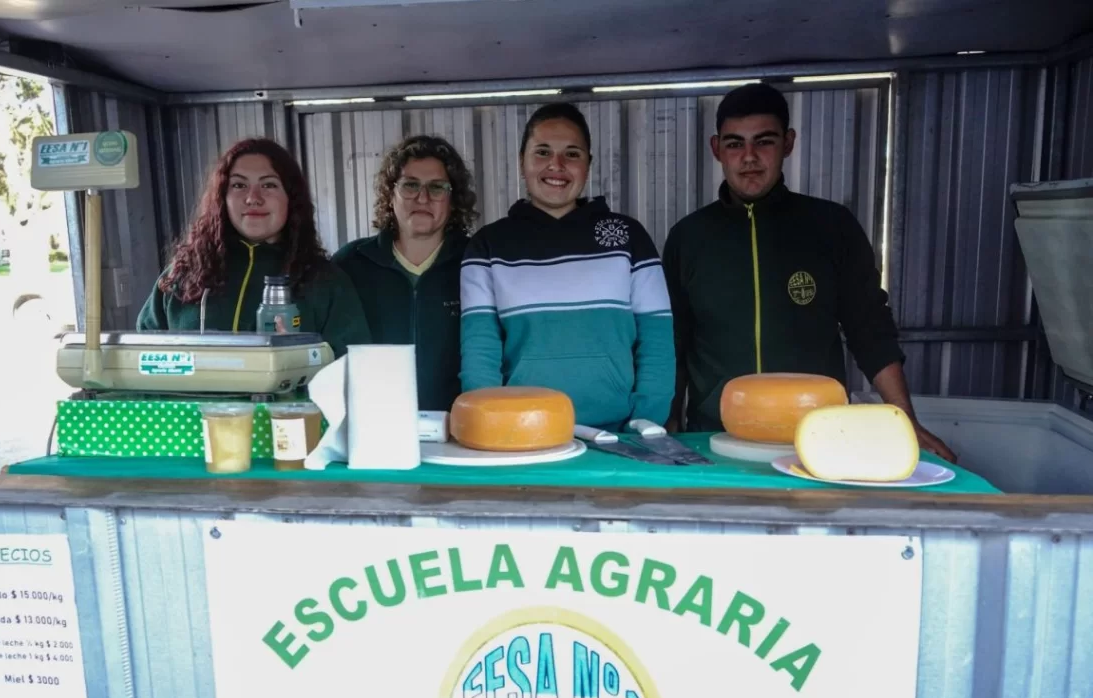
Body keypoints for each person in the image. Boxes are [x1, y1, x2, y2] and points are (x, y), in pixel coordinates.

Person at [662, 83, 956, 462]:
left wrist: (906, 420)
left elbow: (870, 329)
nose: (748, 157)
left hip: (818, 438)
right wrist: (668, 425)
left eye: (763, 142)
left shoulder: (831, 226)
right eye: (735, 144)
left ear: (788, 143)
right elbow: (674, 343)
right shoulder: (689, 237)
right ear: (717, 149)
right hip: (716, 436)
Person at [459, 102, 674, 430]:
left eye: (572, 154)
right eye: (542, 152)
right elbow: (479, 356)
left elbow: (657, 342)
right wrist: (494, 429)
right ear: (522, 162)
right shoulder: (488, 247)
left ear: (589, 163)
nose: (556, 165)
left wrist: (645, 425)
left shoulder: (629, 239)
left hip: (618, 436)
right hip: (522, 436)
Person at [137, 138, 370, 357]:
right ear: (222, 198)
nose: (253, 198)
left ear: (291, 198)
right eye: (239, 185)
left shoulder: (326, 282)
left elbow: (352, 368)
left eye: (269, 185)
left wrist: (298, 361)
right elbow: (142, 354)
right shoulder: (184, 274)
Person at [334, 135, 478, 412]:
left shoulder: (476, 261)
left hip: (460, 428)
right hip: (373, 428)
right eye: (410, 185)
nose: (422, 198)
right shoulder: (350, 264)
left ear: (453, 199)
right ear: (391, 195)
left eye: (437, 188)